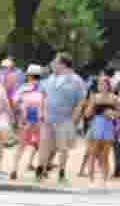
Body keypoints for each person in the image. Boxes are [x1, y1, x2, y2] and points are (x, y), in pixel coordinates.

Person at [35, 53, 87, 186]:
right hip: (47, 118)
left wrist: (74, 119)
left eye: (55, 62)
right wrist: (40, 112)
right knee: (43, 145)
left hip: (65, 119)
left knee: (63, 148)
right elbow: (42, 96)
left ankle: (62, 174)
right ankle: (40, 171)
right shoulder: (49, 79)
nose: (52, 64)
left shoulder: (76, 80)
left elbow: (81, 101)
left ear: (63, 64)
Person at [82, 76, 120, 187]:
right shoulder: (94, 97)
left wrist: (112, 114)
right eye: (100, 84)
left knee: (105, 155)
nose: (102, 86)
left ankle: (104, 180)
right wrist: (91, 107)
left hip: (108, 126)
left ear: (109, 85)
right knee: (92, 154)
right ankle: (91, 180)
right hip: (96, 125)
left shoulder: (114, 98)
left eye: (104, 84)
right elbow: (87, 114)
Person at [10, 66, 46, 180]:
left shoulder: (23, 88)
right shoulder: (44, 89)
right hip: (40, 121)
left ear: (29, 75)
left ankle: (14, 170)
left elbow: (14, 102)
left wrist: (19, 112)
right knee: (41, 147)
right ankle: (40, 171)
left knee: (21, 147)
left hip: (25, 120)